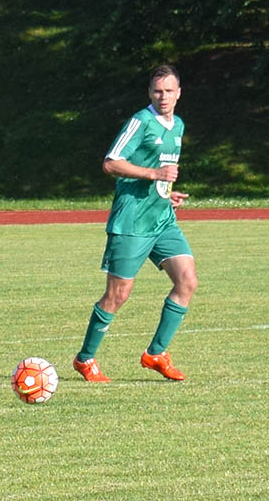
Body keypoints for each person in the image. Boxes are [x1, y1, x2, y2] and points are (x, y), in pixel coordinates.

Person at [73, 64, 197, 382]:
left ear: (179, 93)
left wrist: (166, 193)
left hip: (162, 219)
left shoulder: (178, 125)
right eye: (158, 90)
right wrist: (154, 175)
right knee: (118, 295)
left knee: (187, 281)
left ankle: (155, 353)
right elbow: (111, 162)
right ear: (149, 93)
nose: (163, 96)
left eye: (169, 91)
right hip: (131, 221)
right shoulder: (140, 122)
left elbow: (162, 169)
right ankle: (85, 359)